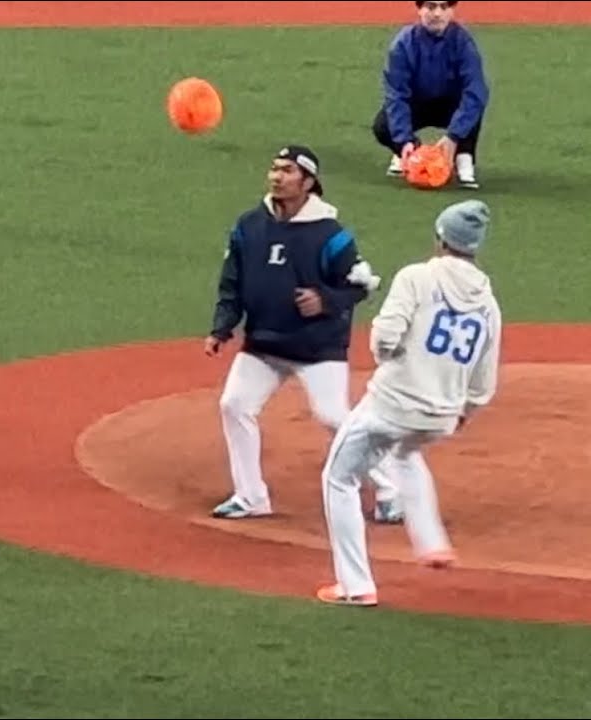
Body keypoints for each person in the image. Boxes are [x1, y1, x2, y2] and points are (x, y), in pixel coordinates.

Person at [206, 145, 406, 524]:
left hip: (317, 347)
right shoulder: (249, 226)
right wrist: (222, 327)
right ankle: (250, 496)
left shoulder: (331, 234)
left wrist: (325, 300)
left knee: (334, 417)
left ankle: (392, 489)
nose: (277, 176)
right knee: (234, 405)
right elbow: (231, 283)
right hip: (263, 344)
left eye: (287, 170)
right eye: (274, 168)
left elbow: (361, 284)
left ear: (308, 182)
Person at [317, 199, 500, 607]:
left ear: (441, 238)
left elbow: (385, 336)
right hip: (440, 415)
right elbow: (484, 378)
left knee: (338, 479)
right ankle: (431, 542)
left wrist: (389, 359)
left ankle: (355, 586)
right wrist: (465, 411)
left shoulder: (417, 277)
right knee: (405, 453)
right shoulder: (488, 303)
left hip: (392, 404)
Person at [373, 0, 490, 189]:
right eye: (431, 6)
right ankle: (412, 155)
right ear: (419, 9)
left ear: (451, 10)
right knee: (382, 126)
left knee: (472, 105)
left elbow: (476, 91)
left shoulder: (463, 42)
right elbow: (397, 95)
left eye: (444, 7)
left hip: (451, 104)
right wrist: (404, 140)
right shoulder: (403, 44)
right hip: (416, 102)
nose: (437, 14)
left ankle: (464, 158)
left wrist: (453, 136)